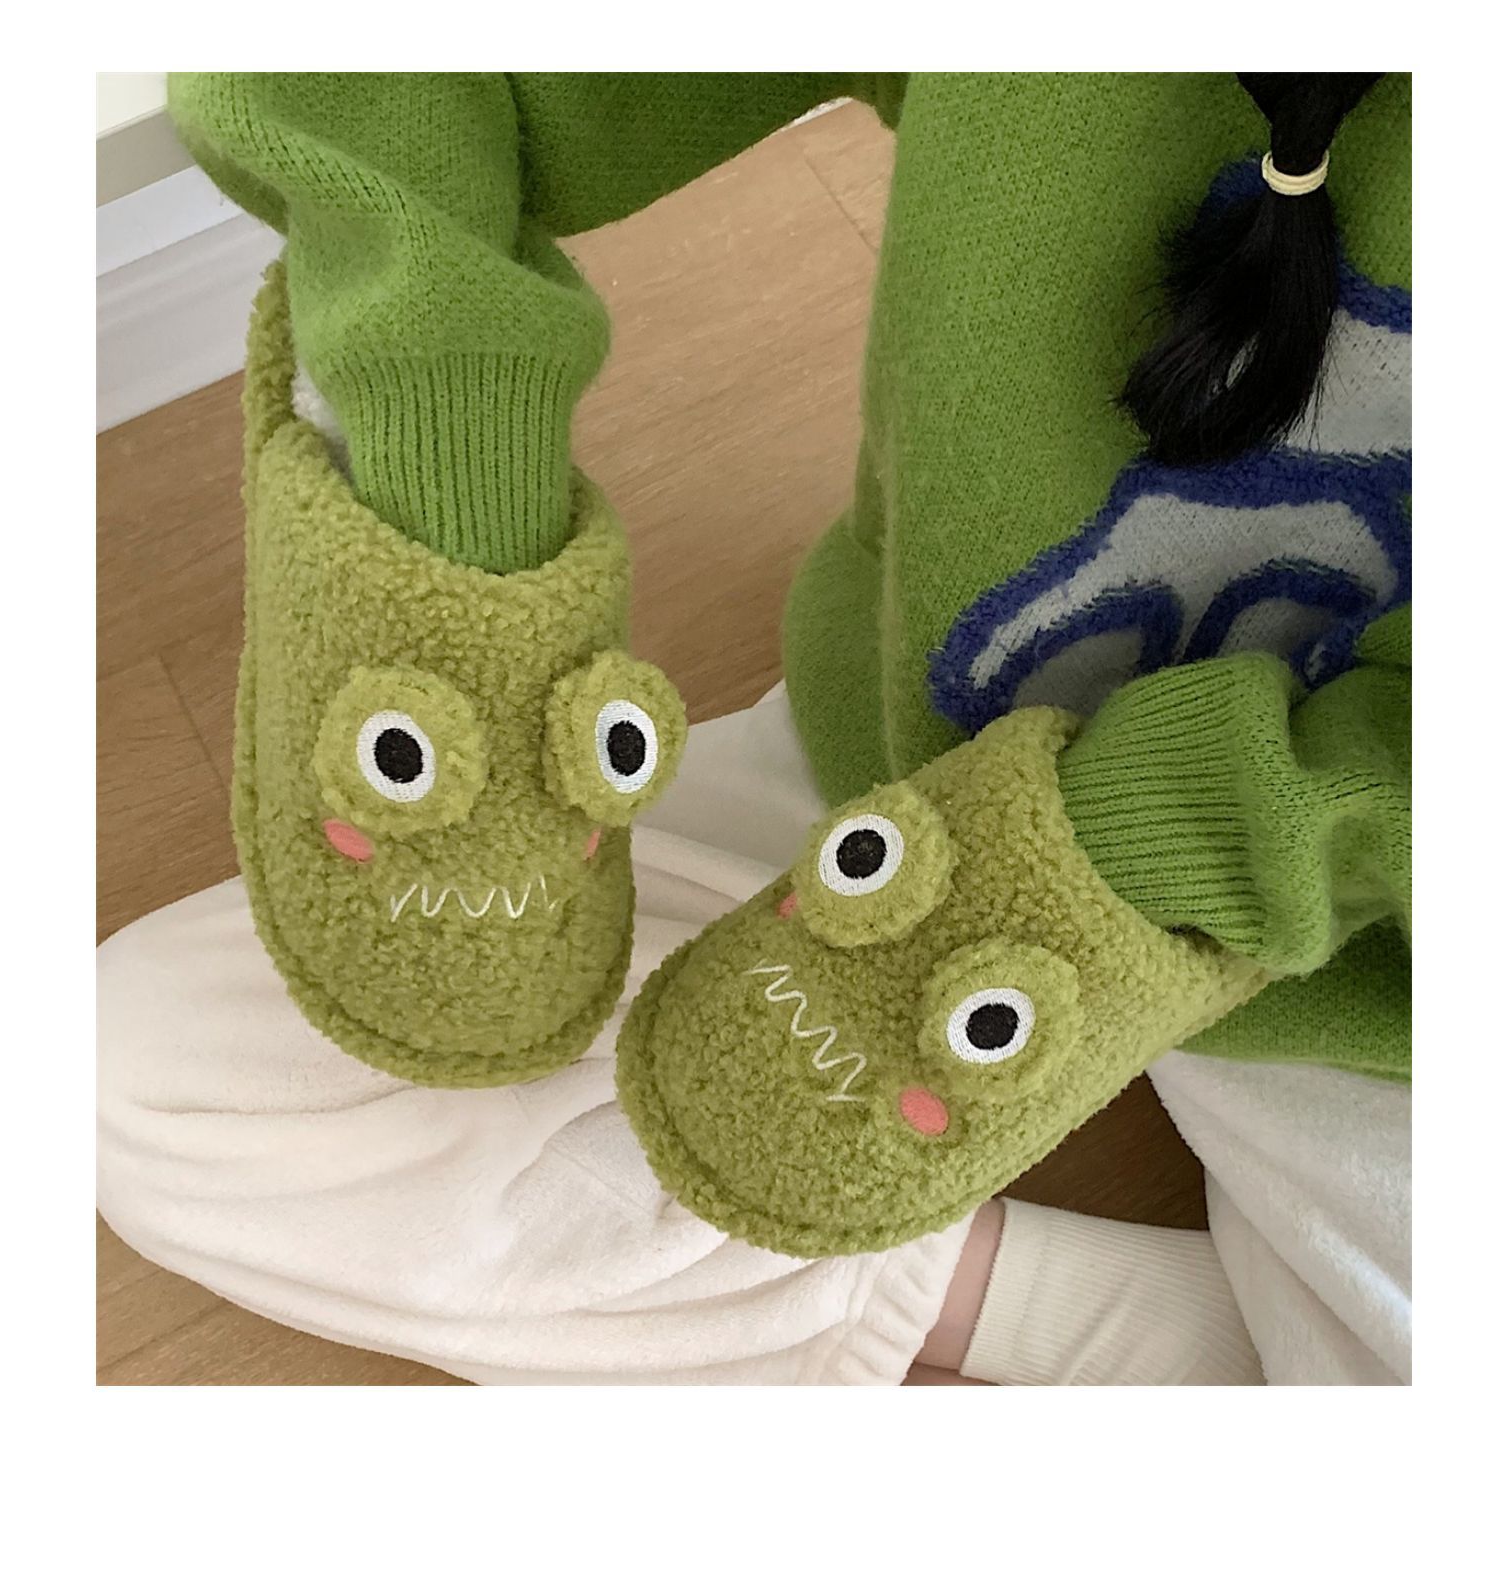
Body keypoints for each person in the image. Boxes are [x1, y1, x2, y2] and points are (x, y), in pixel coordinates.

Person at [97, 72, 1409, 1384]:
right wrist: (445, 497)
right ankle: (1076, 1315)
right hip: (903, 792)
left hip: (1376, 973)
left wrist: (1202, 834)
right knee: (149, 1066)